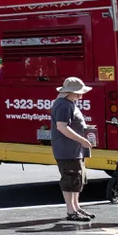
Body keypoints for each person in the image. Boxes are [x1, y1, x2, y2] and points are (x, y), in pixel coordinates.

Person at [51, 76, 96, 222]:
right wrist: (82, 139)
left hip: (74, 149)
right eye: (78, 92)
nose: (80, 95)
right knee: (70, 178)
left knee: (77, 178)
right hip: (67, 149)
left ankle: (76, 207)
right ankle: (71, 210)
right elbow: (62, 126)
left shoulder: (68, 103)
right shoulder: (64, 105)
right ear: (69, 92)